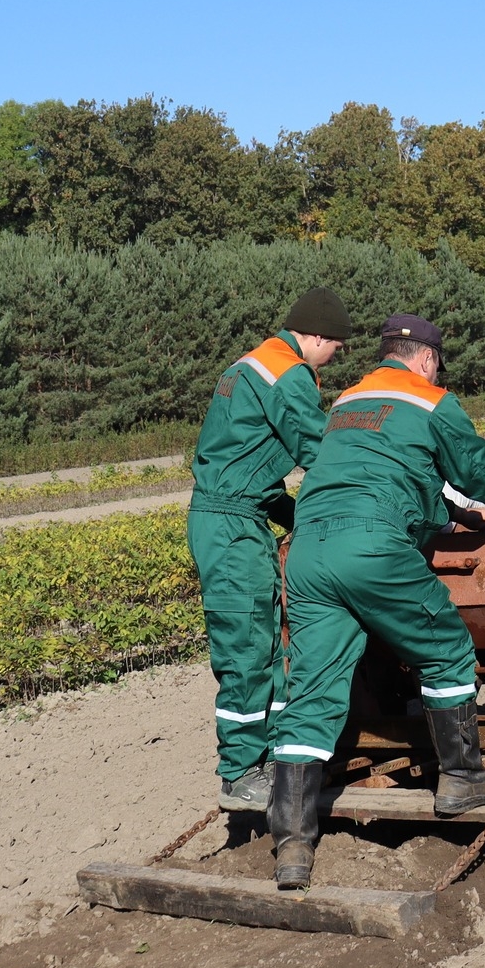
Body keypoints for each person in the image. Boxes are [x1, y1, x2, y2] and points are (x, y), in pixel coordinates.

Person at [266, 314, 485, 889]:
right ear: (426, 358)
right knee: (445, 646)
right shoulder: (429, 400)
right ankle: (461, 778)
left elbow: (389, 479)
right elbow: (478, 471)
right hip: (372, 546)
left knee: (314, 690)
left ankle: (293, 847)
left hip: (307, 554)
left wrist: (451, 514)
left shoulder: (348, 403)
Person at [186, 287, 350, 814]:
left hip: (236, 516)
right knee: (246, 648)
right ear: (318, 336)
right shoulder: (287, 373)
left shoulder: (251, 365)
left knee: (269, 641)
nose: (336, 357)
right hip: (231, 527)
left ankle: (278, 756)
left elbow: (252, 471)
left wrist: (300, 517)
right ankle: (239, 773)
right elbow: (318, 449)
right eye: (337, 347)